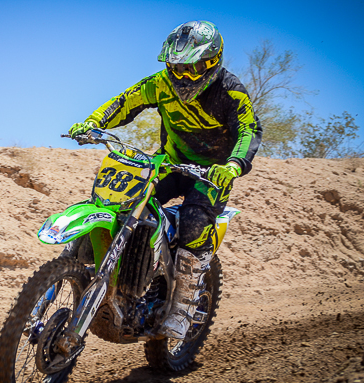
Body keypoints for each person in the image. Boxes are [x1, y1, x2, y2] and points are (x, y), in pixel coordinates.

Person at [68, 20, 262, 340]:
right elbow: (125, 101)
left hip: (212, 174)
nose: (183, 76)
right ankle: (123, 276)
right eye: (176, 67)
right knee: (126, 202)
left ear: (211, 62)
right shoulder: (160, 84)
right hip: (170, 163)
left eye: (191, 68)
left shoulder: (230, 91)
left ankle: (183, 307)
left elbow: (248, 130)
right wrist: (93, 121)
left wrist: (232, 165)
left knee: (194, 222)